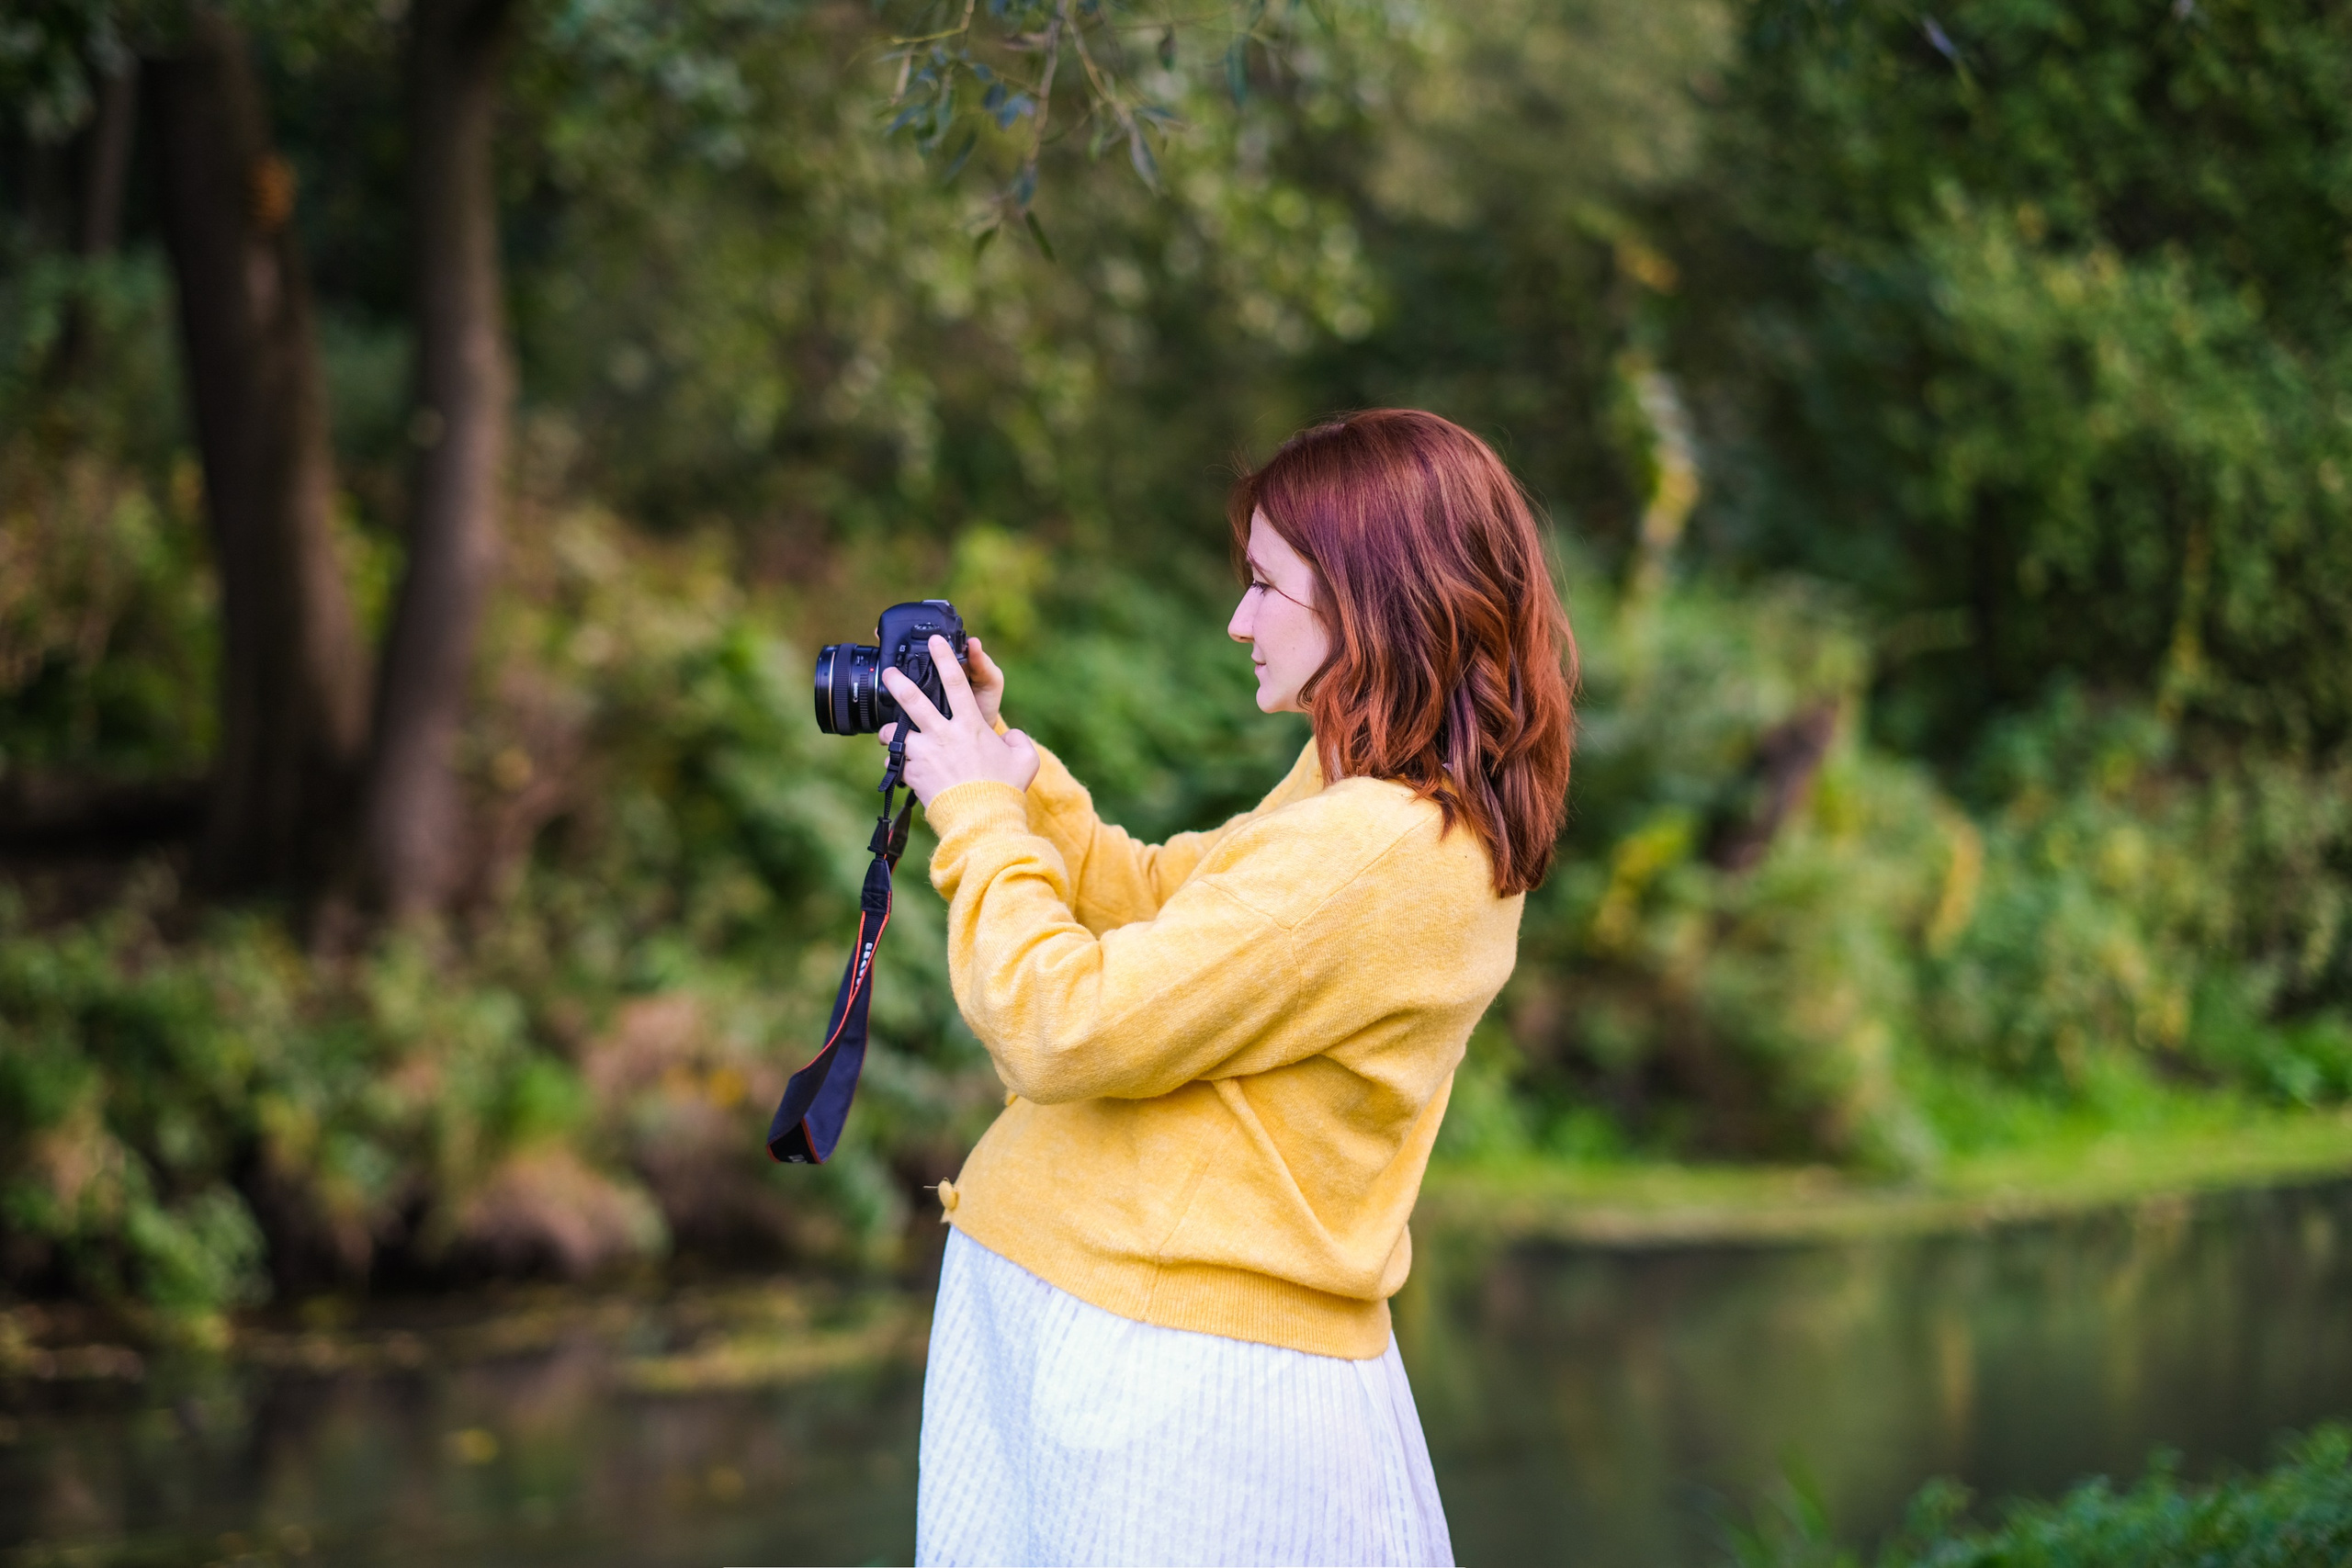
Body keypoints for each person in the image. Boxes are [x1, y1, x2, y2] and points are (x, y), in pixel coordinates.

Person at [876, 408, 1577, 1568]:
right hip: (1125, 1337)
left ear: (1372, 597)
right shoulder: (1364, 801)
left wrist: (974, 823)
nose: (1238, 618)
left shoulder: (1377, 846)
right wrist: (1006, 766)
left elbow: (1064, 1025)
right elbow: (1161, 900)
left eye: (1266, 585)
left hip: (1167, 1385)